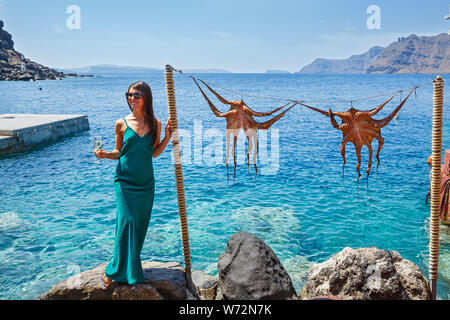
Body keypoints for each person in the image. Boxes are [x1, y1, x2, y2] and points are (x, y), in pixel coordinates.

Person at [94, 81, 171, 288]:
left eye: (136, 95)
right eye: (129, 95)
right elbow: (120, 152)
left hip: (145, 184)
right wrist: (104, 154)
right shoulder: (121, 123)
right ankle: (115, 270)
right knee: (126, 222)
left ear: (146, 97)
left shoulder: (155, 123)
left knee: (139, 227)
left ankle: (129, 269)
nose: (132, 99)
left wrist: (167, 137)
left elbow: (153, 153)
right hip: (125, 182)